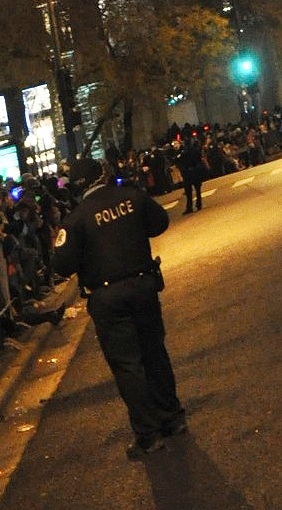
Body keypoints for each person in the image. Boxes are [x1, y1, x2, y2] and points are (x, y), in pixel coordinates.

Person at [52, 157, 186, 460]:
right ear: (104, 174)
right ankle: (172, 416)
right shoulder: (131, 197)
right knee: (154, 352)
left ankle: (148, 434)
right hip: (143, 284)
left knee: (128, 365)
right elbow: (159, 223)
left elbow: (61, 264)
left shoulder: (76, 219)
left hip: (108, 296)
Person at [178, 131, 204, 215]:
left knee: (189, 192)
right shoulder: (195, 151)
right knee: (197, 190)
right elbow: (199, 160)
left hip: (188, 173)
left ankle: (190, 207)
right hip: (194, 172)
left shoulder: (184, 153)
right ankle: (198, 204)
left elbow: (180, 162)